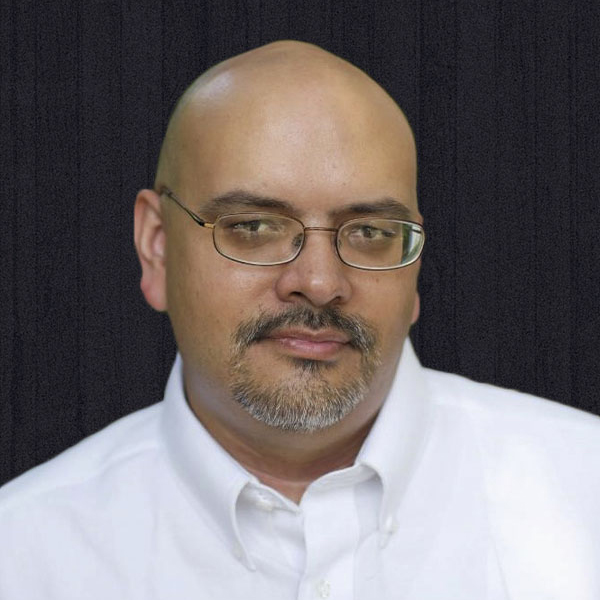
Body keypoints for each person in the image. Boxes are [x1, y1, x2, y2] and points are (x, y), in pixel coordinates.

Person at [0, 40, 598, 600]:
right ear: (156, 247)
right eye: (254, 227)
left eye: (370, 233)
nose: (318, 282)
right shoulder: (24, 555)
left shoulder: (583, 490)